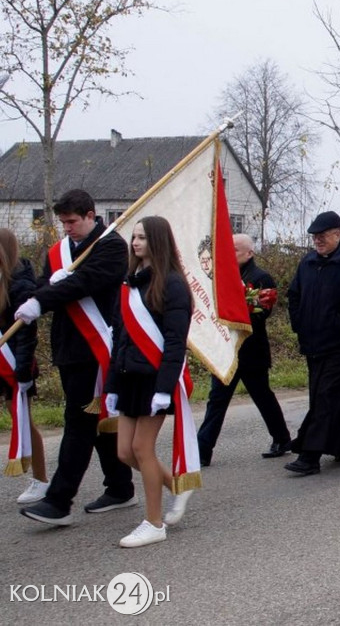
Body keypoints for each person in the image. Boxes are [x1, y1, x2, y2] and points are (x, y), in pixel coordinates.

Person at [18, 189, 135, 527]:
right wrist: (40, 293)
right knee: (99, 423)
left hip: (98, 349)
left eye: (72, 221)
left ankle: (59, 501)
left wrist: (46, 297)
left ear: (89, 215)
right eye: (63, 222)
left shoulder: (112, 246)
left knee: (79, 423)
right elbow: (43, 285)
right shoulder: (59, 252)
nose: (67, 228)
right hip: (69, 348)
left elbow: (87, 282)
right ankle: (120, 487)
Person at [104, 216, 193, 547]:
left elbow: (174, 342)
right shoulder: (129, 282)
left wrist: (163, 389)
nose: (135, 243)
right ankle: (179, 487)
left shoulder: (172, 284)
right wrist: (112, 385)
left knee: (143, 449)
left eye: (142, 237)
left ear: (157, 241)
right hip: (128, 376)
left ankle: (154, 523)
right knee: (125, 453)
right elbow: (119, 338)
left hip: (154, 379)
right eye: (133, 237)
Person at [286, 211, 340, 476]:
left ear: (338, 233)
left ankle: (309, 455)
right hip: (313, 342)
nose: (318, 241)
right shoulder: (308, 262)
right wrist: (299, 324)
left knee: (326, 395)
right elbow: (293, 295)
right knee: (334, 395)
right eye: (315, 237)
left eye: (323, 236)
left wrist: (335, 322)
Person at [197, 234, 291, 466]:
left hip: (251, 352)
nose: (230, 254)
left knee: (263, 397)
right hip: (226, 352)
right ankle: (202, 450)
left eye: (235, 250)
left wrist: (239, 308)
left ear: (249, 253)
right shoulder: (219, 276)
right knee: (216, 400)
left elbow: (262, 313)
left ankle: (281, 438)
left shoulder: (261, 278)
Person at [0, 229, 45, 503]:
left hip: (14, 360)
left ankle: (41, 479)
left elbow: (27, 332)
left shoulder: (20, 283)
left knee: (23, 419)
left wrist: (23, 370)